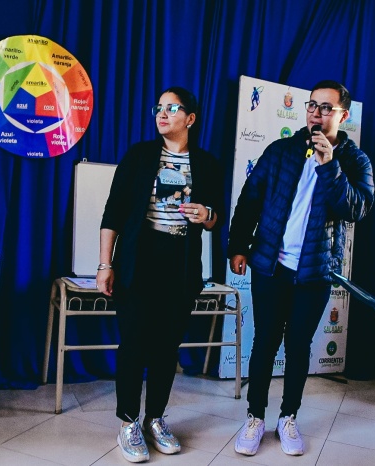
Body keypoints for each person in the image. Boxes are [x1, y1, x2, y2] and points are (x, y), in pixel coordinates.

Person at [228, 80, 374, 457]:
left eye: (326, 108)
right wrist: (237, 246)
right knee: (264, 342)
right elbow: (250, 199)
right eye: (312, 105)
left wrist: (329, 166)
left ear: (343, 115)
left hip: (314, 273)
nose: (316, 113)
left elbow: (356, 209)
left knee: (298, 346)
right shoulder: (281, 150)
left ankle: (288, 417)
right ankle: (255, 417)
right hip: (270, 265)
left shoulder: (355, 161)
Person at [97, 87, 223, 463]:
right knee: (134, 345)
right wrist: (105, 264)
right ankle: (127, 422)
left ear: (190, 119)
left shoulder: (207, 164)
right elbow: (113, 213)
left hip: (180, 266)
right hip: (138, 261)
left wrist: (207, 215)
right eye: (159, 108)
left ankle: (155, 418)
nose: (162, 114)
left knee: (167, 348)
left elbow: (216, 218)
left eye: (172, 108)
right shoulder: (139, 156)